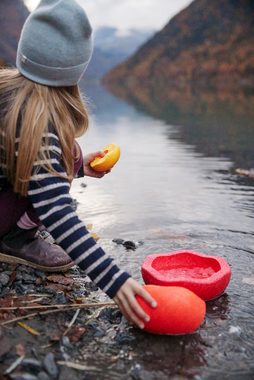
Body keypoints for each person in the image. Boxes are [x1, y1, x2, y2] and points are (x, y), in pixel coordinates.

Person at [0, 0, 157, 329]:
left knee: (69, 155)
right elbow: (57, 211)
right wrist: (114, 280)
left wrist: (79, 167)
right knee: (62, 157)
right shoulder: (40, 130)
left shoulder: (8, 91)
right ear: (76, 70)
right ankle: (15, 239)